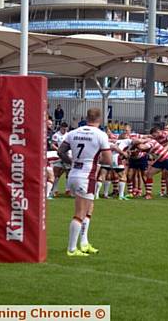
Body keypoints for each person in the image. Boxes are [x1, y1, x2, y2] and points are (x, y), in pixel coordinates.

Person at [57, 108, 112, 257]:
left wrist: (72, 162)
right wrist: (97, 159)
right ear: (100, 119)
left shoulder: (73, 132)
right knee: (80, 213)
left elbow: (60, 152)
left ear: (86, 117)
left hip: (75, 173)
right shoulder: (100, 135)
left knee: (89, 209)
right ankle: (72, 249)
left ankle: (84, 243)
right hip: (87, 176)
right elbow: (108, 159)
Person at [51, 123, 71, 198]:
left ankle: (68, 190)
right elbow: (52, 144)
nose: (65, 130)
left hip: (67, 156)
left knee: (68, 173)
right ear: (61, 128)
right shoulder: (56, 135)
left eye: (66, 129)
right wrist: (59, 149)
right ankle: (55, 190)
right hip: (58, 155)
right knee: (56, 173)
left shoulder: (69, 135)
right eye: (63, 129)